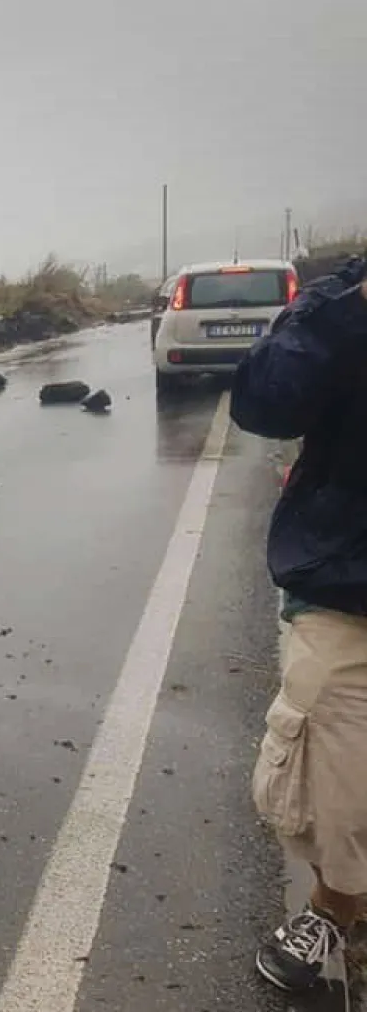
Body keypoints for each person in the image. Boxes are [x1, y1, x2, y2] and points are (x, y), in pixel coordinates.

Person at [231, 255, 367, 993]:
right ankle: (334, 907)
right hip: (350, 594)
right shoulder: (340, 302)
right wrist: (356, 310)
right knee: (329, 799)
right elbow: (263, 404)